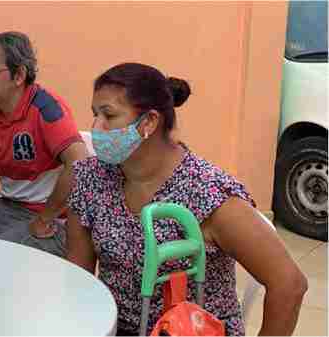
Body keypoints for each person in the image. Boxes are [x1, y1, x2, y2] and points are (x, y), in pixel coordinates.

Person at [66, 62, 308, 335]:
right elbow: (80, 283)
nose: (96, 127)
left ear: (149, 122)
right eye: (95, 114)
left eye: (108, 116)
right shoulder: (90, 179)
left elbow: (289, 284)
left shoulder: (207, 194)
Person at [0, 32, 88, 257]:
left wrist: (46, 218)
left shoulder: (47, 109)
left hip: (52, 218)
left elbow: (80, 163)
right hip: (7, 205)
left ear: (19, 75)